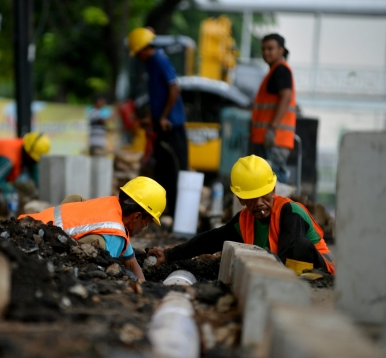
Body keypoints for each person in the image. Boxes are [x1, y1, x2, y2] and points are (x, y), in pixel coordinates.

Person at [148, 155, 336, 275]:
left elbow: (288, 254)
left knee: (298, 245)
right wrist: (169, 254)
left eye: (265, 195)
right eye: (252, 199)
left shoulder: (291, 213)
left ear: (273, 189)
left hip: (320, 273)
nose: (260, 203)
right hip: (283, 276)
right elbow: (209, 240)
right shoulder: (244, 221)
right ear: (240, 199)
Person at [18, 176, 167, 281]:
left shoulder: (111, 207)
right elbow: (116, 262)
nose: (145, 227)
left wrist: (143, 284)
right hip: (27, 245)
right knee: (99, 248)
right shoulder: (115, 236)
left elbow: (131, 262)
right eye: (146, 222)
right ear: (136, 217)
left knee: (77, 199)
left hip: (24, 224)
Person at [128, 27, 189, 216]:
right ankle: (164, 210)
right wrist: (152, 117)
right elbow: (158, 95)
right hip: (161, 126)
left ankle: (178, 213)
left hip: (172, 126)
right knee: (162, 170)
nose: (138, 57)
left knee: (175, 170)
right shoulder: (151, 64)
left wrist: (163, 117)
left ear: (143, 48)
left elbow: (174, 88)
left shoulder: (160, 59)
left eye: (138, 53)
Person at [250, 33, 296, 184]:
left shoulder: (280, 70)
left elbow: (286, 96)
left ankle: (278, 208)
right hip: (270, 139)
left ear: (281, 50)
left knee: (274, 181)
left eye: (270, 48)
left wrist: (272, 128)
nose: (266, 52)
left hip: (274, 139)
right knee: (267, 181)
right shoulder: (274, 71)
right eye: (263, 49)